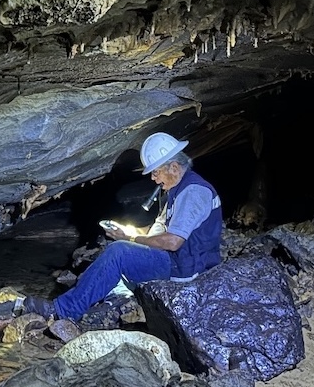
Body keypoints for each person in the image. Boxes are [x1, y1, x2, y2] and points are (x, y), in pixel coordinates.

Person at [18, 132, 223, 320]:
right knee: (120, 251)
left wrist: (129, 240)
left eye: (156, 172)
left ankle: (63, 310)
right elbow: (161, 232)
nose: (153, 178)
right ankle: (87, 299)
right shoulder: (178, 190)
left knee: (119, 252)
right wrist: (128, 233)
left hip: (187, 267)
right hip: (181, 260)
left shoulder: (193, 192)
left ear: (174, 168)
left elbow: (172, 242)